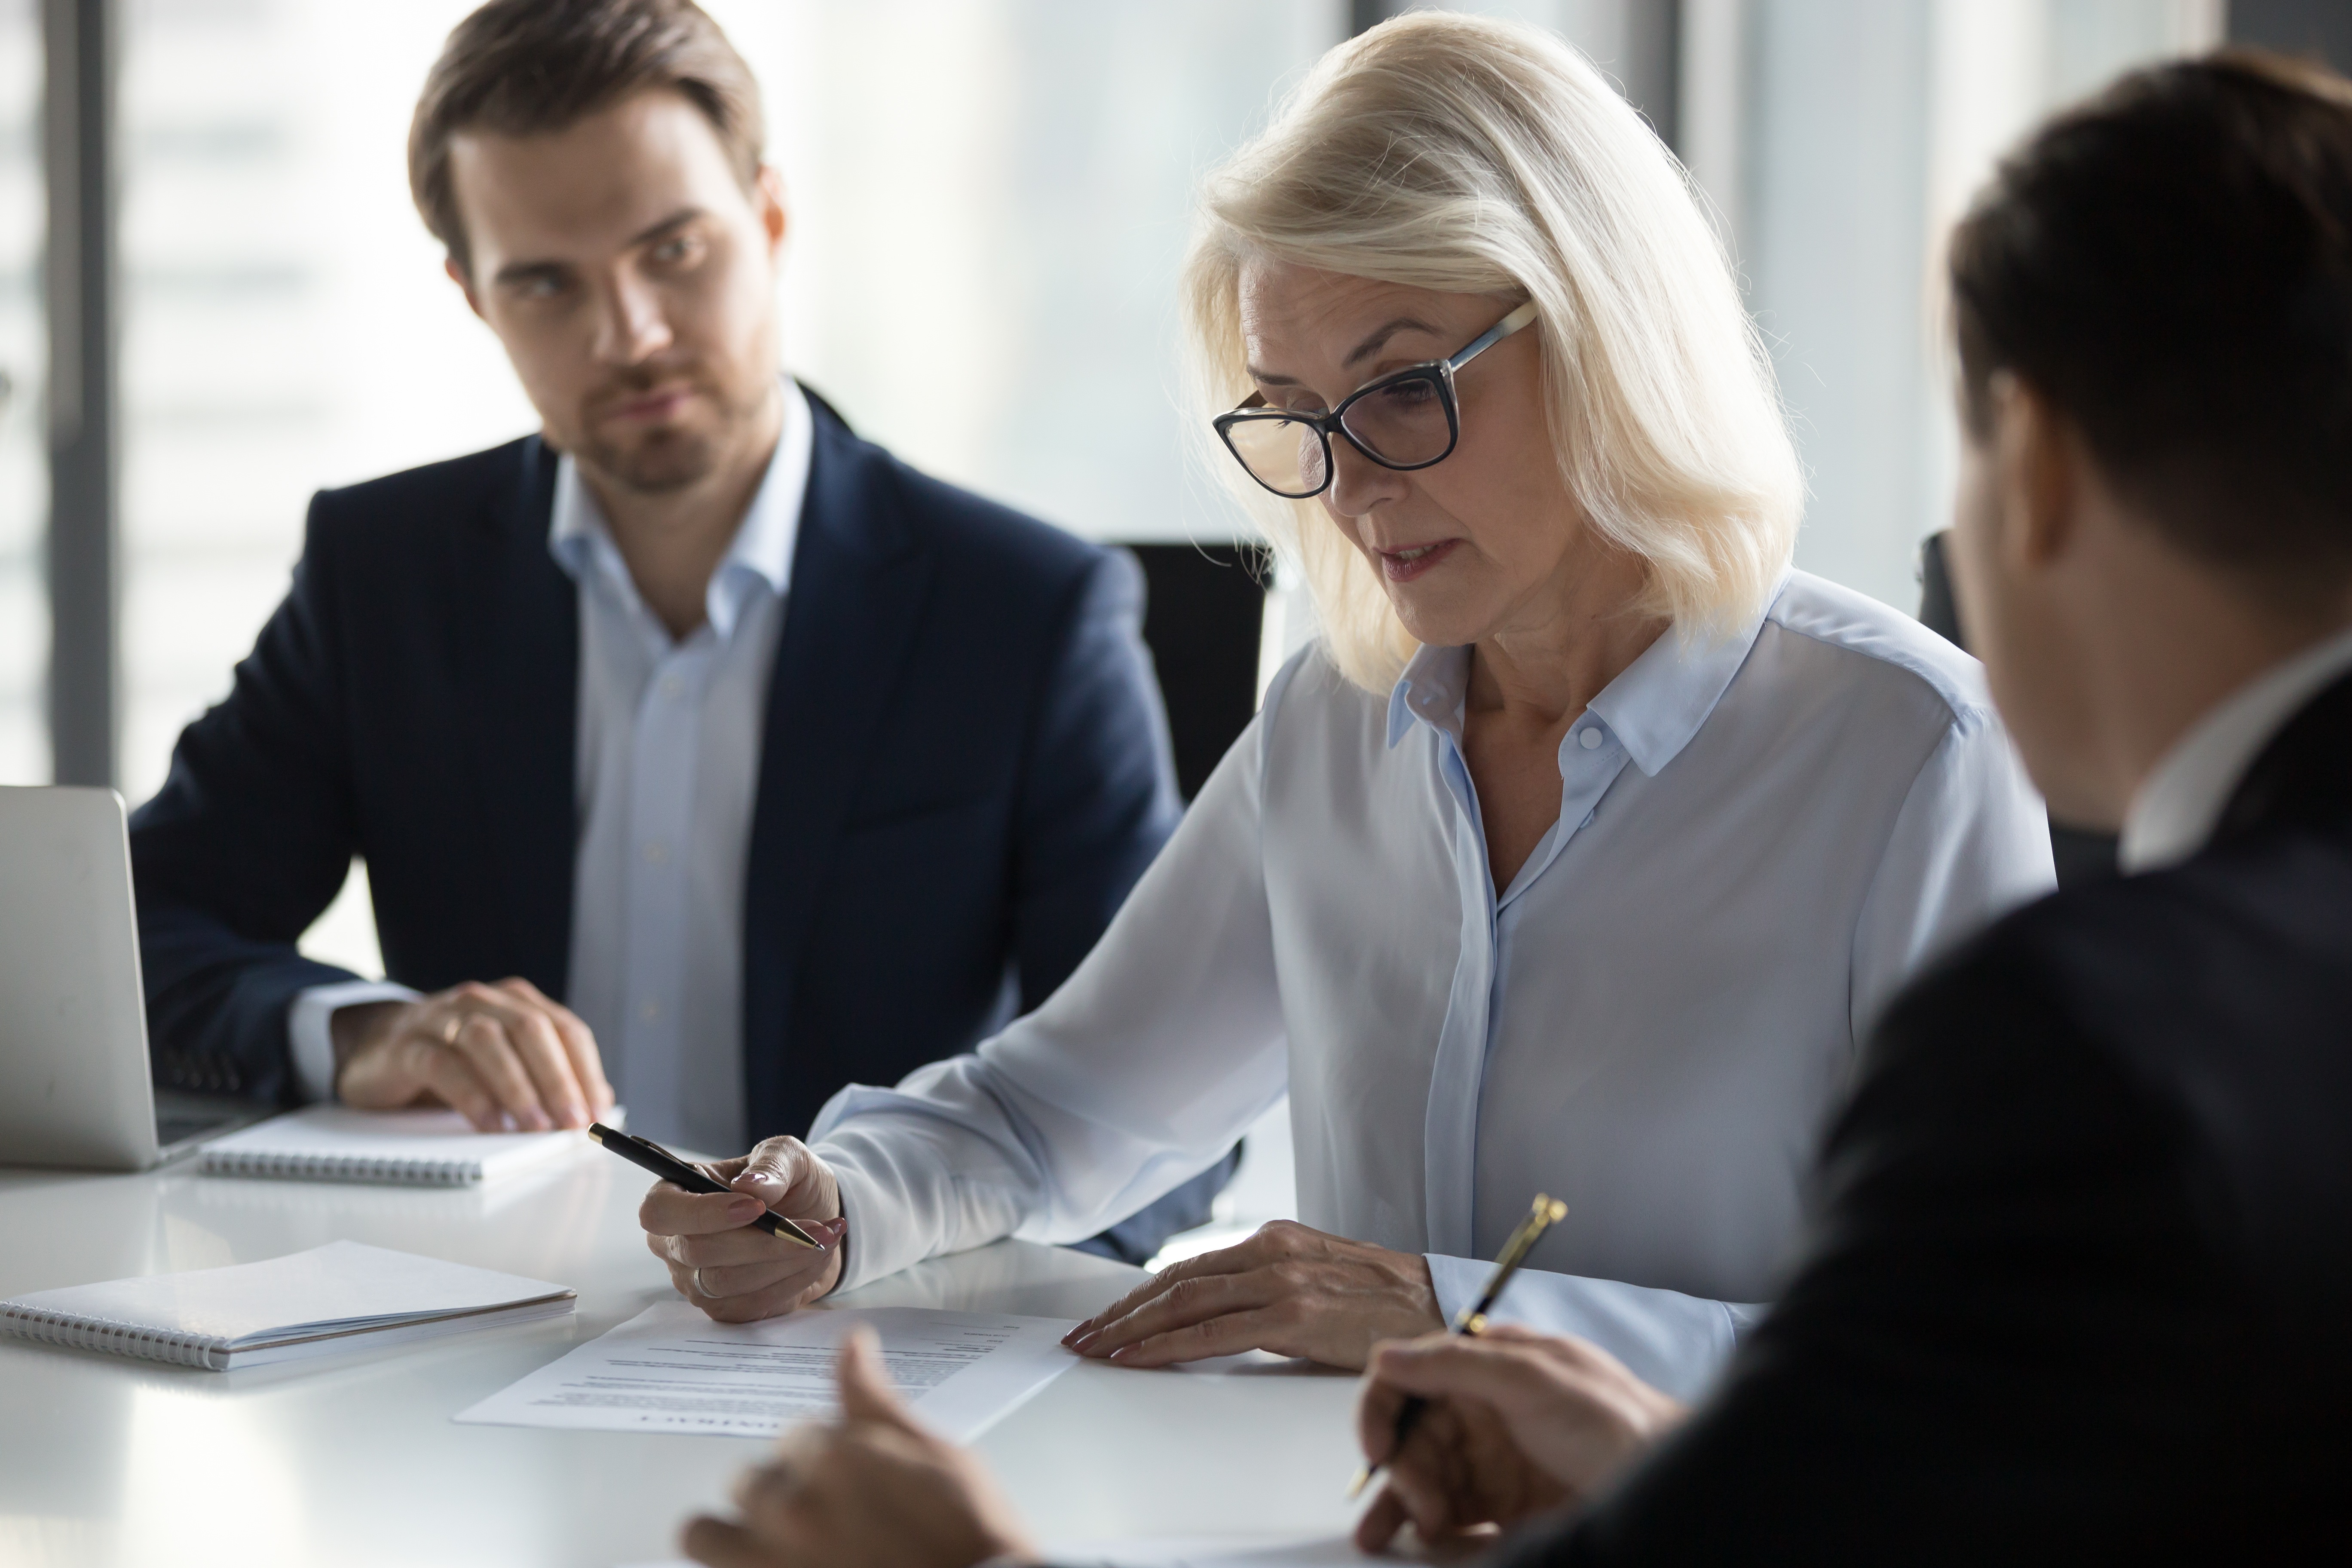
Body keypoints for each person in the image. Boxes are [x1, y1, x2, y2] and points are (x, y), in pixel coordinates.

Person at [673, 46, 2352, 1568]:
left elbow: (1957, 1379)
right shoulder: (1338, 721)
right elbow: (1059, 1109)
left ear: (1603, 332)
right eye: (1298, 418)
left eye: (1406, 387)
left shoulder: (1902, 750)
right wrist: (837, 1202)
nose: (1352, 483)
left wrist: (1456, 1316)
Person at [127, 0, 1232, 1263]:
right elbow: (126, 949)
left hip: (873, 1341)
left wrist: (932, 1276)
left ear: (769, 218)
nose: (629, 334)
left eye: (675, 251)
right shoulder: (385, 575)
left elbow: (1165, 1124)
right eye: (547, 282)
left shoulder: (1027, 611)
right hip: (476, 1332)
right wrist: (361, 1035)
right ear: (474, 297)